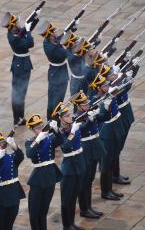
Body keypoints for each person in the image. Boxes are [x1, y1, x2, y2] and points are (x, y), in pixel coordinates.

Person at [72, 91, 110, 219]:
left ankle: (89, 207)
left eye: (88, 103)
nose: (88, 105)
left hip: (94, 147)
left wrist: (107, 107)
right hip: (85, 150)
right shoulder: (75, 118)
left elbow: (104, 118)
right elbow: (81, 130)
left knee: (90, 179)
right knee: (85, 181)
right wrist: (90, 118)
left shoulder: (88, 112)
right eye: (85, 104)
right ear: (78, 106)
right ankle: (84, 209)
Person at [89, 72, 123, 200]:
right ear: (98, 88)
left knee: (111, 160)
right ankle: (105, 191)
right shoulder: (95, 101)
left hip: (113, 130)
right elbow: (100, 117)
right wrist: (105, 107)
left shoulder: (108, 94)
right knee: (105, 163)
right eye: (103, 86)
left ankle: (109, 189)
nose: (107, 87)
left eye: (106, 85)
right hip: (105, 133)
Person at [25, 114, 62, 230]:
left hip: (50, 176)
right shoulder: (30, 142)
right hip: (38, 179)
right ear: (32, 130)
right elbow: (30, 154)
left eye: (41, 126)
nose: (40, 129)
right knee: (34, 212)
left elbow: (61, 141)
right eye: (37, 128)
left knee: (44, 211)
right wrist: (38, 140)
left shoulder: (49, 138)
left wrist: (56, 129)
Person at [51, 102, 85, 230]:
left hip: (79, 162)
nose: (69, 117)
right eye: (66, 116)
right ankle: (66, 225)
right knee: (66, 199)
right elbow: (65, 146)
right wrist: (72, 133)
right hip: (69, 166)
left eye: (69, 114)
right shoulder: (60, 132)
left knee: (74, 196)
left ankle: (72, 223)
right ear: (60, 118)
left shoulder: (73, 125)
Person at [0, 130, 25, 230]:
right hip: (1, 196)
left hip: (14, 192)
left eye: (2, 144)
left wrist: (14, 146)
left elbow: (21, 157)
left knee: (9, 224)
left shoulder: (12, 157)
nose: (0, 146)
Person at [0, 12, 34, 125]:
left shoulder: (14, 32)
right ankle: (17, 118)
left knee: (20, 93)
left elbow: (23, 30)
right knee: (19, 93)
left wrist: (35, 17)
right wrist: (28, 31)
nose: (19, 23)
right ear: (14, 25)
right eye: (17, 22)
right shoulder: (14, 38)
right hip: (22, 67)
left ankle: (19, 117)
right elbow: (30, 43)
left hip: (19, 64)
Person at [38, 21, 68, 120]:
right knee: (58, 101)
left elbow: (57, 39)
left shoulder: (47, 42)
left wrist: (67, 32)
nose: (56, 32)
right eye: (54, 31)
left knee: (52, 98)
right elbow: (65, 53)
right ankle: (55, 121)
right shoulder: (53, 48)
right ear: (50, 34)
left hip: (53, 73)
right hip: (59, 74)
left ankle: (49, 119)